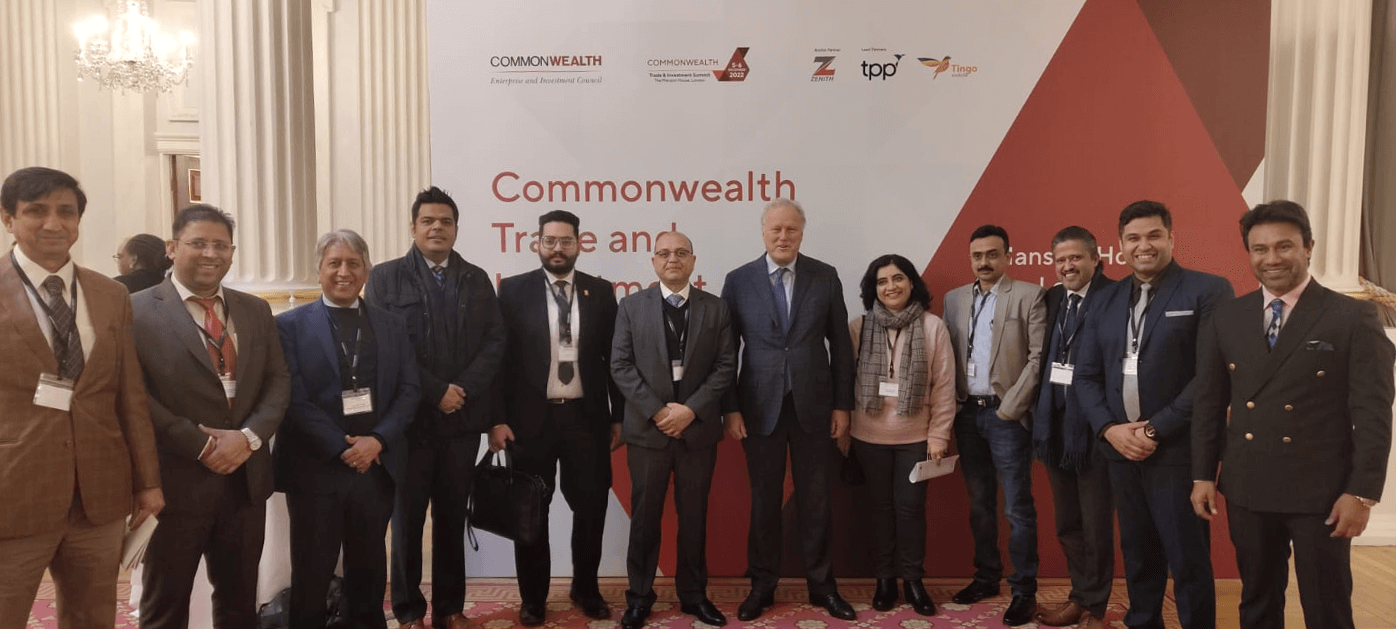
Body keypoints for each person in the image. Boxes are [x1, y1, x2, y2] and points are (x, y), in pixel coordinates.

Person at [1191, 201, 1394, 629]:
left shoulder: (1352, 316)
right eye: (1260, 249)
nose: (1272, 258)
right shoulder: (1228, 316)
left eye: (1284, 246)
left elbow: (1373, 412)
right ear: (1249, 253)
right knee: (1257, 601)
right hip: (1248, 486)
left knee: (1327, 607)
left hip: (1322, 492)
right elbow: (1209, 402)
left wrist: (1361, 493)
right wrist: (1203, 474)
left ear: (1308, 248)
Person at [0, 166, 164, 629]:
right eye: (36, 211)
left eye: (66, 212)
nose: (53, 223)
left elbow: (129, 395)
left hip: (98, 496)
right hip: (13, 493)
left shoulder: (110, 294)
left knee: (93, 618)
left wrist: (148, 481)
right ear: (8, 219)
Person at [1074, 201, 1233, 629]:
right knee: (1138, 552)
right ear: (1121, 245)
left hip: (1177, 450)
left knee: (1187, 558)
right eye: (1133, 238)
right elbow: (1085, 376)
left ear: (1171, 238)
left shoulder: (1207, 290)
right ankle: (1143, 621)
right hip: (1121, 451)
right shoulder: (1104, 299)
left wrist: (1153, 429)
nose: (1143, 245)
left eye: (1153, 235)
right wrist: (1109, 429)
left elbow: (1211, 375)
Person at [130, 205, 290, 629]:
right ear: (172, 248)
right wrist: (200, 444)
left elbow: (278, 381)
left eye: (221, 245)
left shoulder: (254, 310)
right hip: (175, 483)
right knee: (165, 607)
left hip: (245, 482)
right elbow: (134, 395)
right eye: (198, 243)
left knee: (239, 605)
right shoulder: (135, 310)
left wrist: (249, 437)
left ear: (232, 252)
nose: (210, 254)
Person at [364, 187, 506, 629]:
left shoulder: (476, 279)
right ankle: (408, 611)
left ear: (456, 229)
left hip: (461, 421)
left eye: (445, 221)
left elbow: (494, 342)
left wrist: (461, 389)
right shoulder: (385, 278)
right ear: (413, 227)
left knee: (451, 518)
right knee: (406, 522)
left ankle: (450, 608)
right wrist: (434, 390)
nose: (437, 228)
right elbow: (386, 345)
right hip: (407, 424)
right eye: (428, 221)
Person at [274, 230, 420, 629]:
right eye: (334, 263)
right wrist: (342, 447)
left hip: (375, 468)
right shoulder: (288, 326)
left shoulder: (391, 325)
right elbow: (293, 398)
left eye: (353, 264)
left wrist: (378, 441)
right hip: (315, 470)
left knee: (369, 571)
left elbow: (409, 389)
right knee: (312, 571)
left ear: (366, 271)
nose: (344, 272)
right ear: (319, 270)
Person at [721, 198, 858, 622]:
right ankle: (762, 586)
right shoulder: (738, 280)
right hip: (757, 408)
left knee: (816, 501)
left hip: (814, 407)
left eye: (791, 229)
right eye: (776, 229)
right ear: (763, 232)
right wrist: (730, 409)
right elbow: (727, 351)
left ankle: (823, 586)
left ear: (802, 232)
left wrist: (842, 406)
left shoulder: (825, 275)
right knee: (764, 502)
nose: (783, 236)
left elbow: (841, 345)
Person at [490, 210, 624, 627]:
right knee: (531, 512)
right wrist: (496, 418)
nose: (558, 248)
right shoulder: (512, 291)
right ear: (538, 243)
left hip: (586, 419)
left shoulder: (600, 292)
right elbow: (499, 361)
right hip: (529, 422)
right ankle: (533, 598)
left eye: (566, 241)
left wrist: (619, 416)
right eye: (550, 241)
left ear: (579, 244)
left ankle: (586, 587)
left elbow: (614, 359)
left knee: (591, 508)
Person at [610, 231, 736, 629]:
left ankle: (694, 596)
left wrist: (690, 411)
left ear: (693, 261)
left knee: (694, 518)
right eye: (664, 253)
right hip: (648, 433)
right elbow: (620, 366)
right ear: (653, 262)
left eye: (681, 253)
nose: (673, 259)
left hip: (697, 432)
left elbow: (726, 367)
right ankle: (639, 598)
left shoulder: (716, 308)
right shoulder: (631, 306)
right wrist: (659, 412)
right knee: (645, 519)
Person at [942, 224, 1046, 626]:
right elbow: (947, 356)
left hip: (1007, 415)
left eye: (991, 254)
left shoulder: (1029, 295)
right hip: (967, 414)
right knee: (980, 504)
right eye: (977, 256)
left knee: (1017, 508)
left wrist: (1009, 409)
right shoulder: (954, 300)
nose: (984, 262)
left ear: (1008, 256)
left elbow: (1038, 358)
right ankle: (986, 577)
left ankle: (1024, 591)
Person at [846, 253, 955, 617]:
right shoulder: (859, 327)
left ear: (911, 283)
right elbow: (843, 382)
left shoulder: (933, 327)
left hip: (916, 439)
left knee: (910, 511)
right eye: (882, 281)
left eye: (897, 279)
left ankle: (912, 580)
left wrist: (939, 435)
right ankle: (884, 580)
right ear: (872, 288)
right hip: (868, 437)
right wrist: (844, 431)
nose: (890, 287)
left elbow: (944, 387)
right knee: (878, 511)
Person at [1031, 227, 1114, 629]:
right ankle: (1080, 596)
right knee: (1067, 522)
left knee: (1095, 525)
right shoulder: (1053, 298)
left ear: (1096, 259)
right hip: (1055, 427)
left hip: (1095, 429)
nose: (1067, 266)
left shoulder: (1115, 297)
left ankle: (1096, 607)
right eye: (1060, 260)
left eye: (1076, 258)